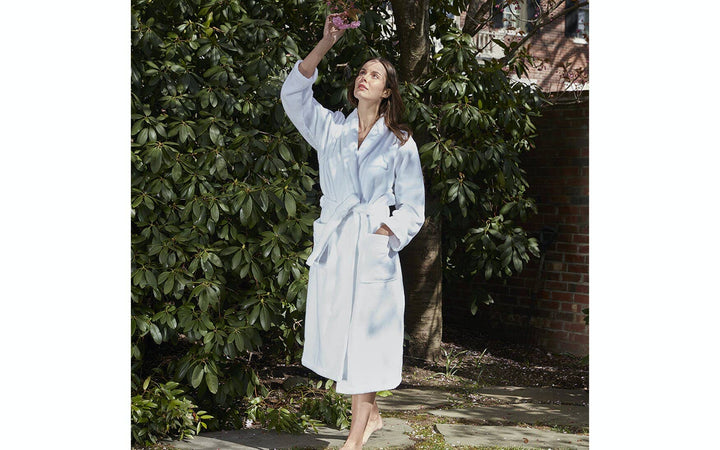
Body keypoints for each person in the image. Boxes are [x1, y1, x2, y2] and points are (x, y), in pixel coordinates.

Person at [280, 13, 425, 449]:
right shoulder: (331, 129)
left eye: (375, 75)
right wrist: (326, 42)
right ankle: (372, 415)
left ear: (387, 91)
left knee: (367, 336)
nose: (364, 77)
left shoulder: (400, 141)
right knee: (341, 335)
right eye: (362, 71)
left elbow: (414, 206)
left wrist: (386, 232)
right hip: (338, 243)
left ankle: (354, 439)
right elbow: (292, 94)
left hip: (373, 243)